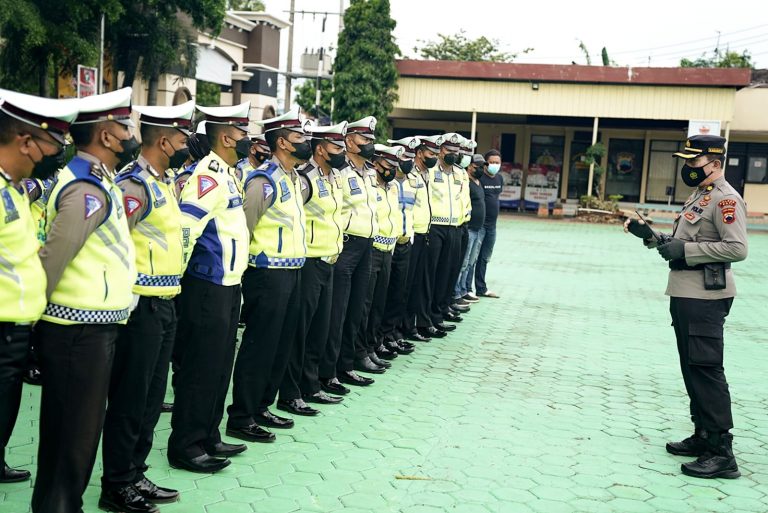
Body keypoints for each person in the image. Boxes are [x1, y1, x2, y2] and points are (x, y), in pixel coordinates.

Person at [33, 88, 138, 513]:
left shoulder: (99, 181)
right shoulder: (85, 189)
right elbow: (53, 258)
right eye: (124, 127)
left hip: (92, 324)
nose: (132, 134)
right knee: (70, 440)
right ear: (107, 137)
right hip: (76, 330)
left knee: (79, 434)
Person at [624, 134, 747, 479]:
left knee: (706, 369)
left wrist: (686, 252)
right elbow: (685, 241)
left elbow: (737, 249)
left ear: (715, 164)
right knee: (692, 366)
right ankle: (703, 434)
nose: (688, 168)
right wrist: (650, 236)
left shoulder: (726, 199)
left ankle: (722, 452)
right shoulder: (700, 195)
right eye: (688, 162)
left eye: (694, 163)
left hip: (706, 297)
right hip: (686, 293)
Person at [99, 102, 195, 513]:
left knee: (152, 396)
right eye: (180, 135)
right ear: (163, 139)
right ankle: (116, 484)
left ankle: (135, 472)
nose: (185, 142)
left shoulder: (162, 181)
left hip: (166, 300)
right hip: (140, 306)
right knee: (129, 397)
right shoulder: (134, 185)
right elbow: (115, 241)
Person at [168, 102, 251, 473]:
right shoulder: (208, 176)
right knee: (200, 367)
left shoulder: (229, 173)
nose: (248, 139)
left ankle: (209, 434)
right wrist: (177, 279)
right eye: (243, 133)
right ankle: (186, 444)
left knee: (219, 365)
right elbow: (187, 228)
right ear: (226, 137)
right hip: (207, 284)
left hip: (230, 283)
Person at [0, 89, 77, 484]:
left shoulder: (14, 188)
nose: (60, 152)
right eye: (54, 143)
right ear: (26, 142)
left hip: (16, 329)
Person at [226, 108, 309, 441]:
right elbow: (245, 227)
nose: (305, 143)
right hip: (268, 273)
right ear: (282, 143)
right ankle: (241, 415)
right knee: (259, 346)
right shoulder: (265, 180)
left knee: (279, 345)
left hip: (293, 271)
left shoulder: (292, 178)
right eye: (299, 138)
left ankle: (262, 406)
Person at [278, 121, 347, 410]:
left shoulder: (334, 177)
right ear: (320, 149)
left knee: (320, 328)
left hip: (329, 259)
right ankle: (290, 393)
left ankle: (311, 385)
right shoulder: (305, 178)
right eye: (336, 147)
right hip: (308, 262)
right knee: (300, 331)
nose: (341, 152)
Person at [320, 116, 379, 391]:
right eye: (364, 140)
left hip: (367, 243)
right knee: (338, 312)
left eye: (370, 140)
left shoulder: (368, 170)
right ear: (349, 141)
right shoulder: (340, 171)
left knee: (357, 308)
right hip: (346, 244)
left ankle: (347, 365)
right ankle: (328, 371)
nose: (369, 144)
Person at [353, 144, 405, 372]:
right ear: (376, 163)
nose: (392, 170)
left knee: (378, 304)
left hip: (388, 250)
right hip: (372, 249)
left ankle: (372, 347)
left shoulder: (392, 187)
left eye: (395, 166)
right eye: (388, 165)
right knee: (365, 305)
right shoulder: (370, 185)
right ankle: (359, 351)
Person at [378, 136, 421, 354]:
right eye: (404, 156)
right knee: (382, 296)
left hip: (406, 242)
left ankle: (391, 333)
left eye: (411, 158)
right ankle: (379, 338)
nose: (408, 161)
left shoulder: (413, 182)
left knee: (399, 292)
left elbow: (412, 212)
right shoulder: (390, 184)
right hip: (388, 244)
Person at [404, 135, 443, 342]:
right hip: (412, 236)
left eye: (436, 155)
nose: (434, 158)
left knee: (418, 285)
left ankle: (411, 327)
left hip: (424, 234)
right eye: (430, 154)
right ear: (419, 154)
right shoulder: (410, 174)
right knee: (407, 286)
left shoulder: (425, 174)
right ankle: (402, 328)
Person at [426, 133, 465, 334]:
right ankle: (426, 319)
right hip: (434, 227)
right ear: (441, 151)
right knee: (431, 275)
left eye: (456, 152)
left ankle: (438, 315)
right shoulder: (431, 171)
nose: (453, 155)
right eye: (449, 151)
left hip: (454, 227)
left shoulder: (460, 173)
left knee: (446, 274)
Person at [455, 154, 487, 303]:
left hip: (478, 229)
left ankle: (464, 289)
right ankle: (457, 292)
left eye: (482, 167)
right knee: (463, 262)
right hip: (469, 228)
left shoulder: (479, 182)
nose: (479, 169)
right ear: (469, 166)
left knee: (470, 262)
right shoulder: (467, 182)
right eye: (476, 167)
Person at [474, 149, 503, 299]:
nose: (494, 165)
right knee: (472, 258)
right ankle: (465, 289)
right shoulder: (480, 178)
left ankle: (481, 288)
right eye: (491, 162)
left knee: (484, 258)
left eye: (497, 163)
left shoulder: (499, 179)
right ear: (485, 163)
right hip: (479, 226)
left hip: (492, 227)